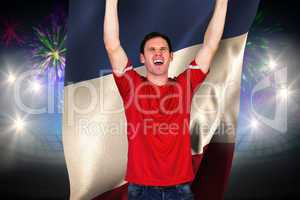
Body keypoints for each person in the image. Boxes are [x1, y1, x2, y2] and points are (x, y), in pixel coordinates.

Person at [103, 0, 228, 199]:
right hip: (142, 189)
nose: (158, 53)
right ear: (142, 58)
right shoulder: (131, 85)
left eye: (163, 50)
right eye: (152, 50)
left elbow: (211, 45)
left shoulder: (184, 85)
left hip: (180, 189)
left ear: (170, 57)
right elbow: (112, 46)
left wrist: (222, 2)